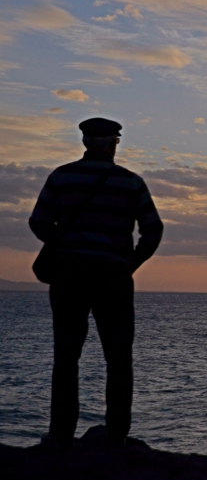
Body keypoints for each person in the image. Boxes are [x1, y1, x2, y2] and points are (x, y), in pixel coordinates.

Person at [29, 117, 163, 449]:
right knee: (118, 358)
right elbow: (153, 229)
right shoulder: (131, 184)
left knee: (66, 356)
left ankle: (61, 434)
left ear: (85, 142)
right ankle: (117, 435)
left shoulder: (61, 177)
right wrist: (130, 263)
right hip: (114, 278)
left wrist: (63, 246)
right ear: (114, 143)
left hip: (69, 275)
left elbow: (38, 221)